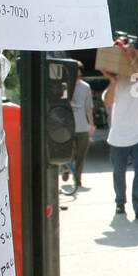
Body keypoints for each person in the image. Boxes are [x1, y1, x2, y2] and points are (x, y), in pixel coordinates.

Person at [103, 42, 138, 221]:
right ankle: (120, 202)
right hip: (119, 134)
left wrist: (133, 58)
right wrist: (112, 81)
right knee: (119, 171)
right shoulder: (119, 79)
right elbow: (108, 102)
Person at [61, 60, 94, 192]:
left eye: (78, 69)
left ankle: (77, 177)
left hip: (82, 125)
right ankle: (66, 168)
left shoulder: (85, 87)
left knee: (81, 154)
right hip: (67, 125)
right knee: (68, 152)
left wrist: (91, 124)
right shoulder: (64, 86)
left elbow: (89, 107)